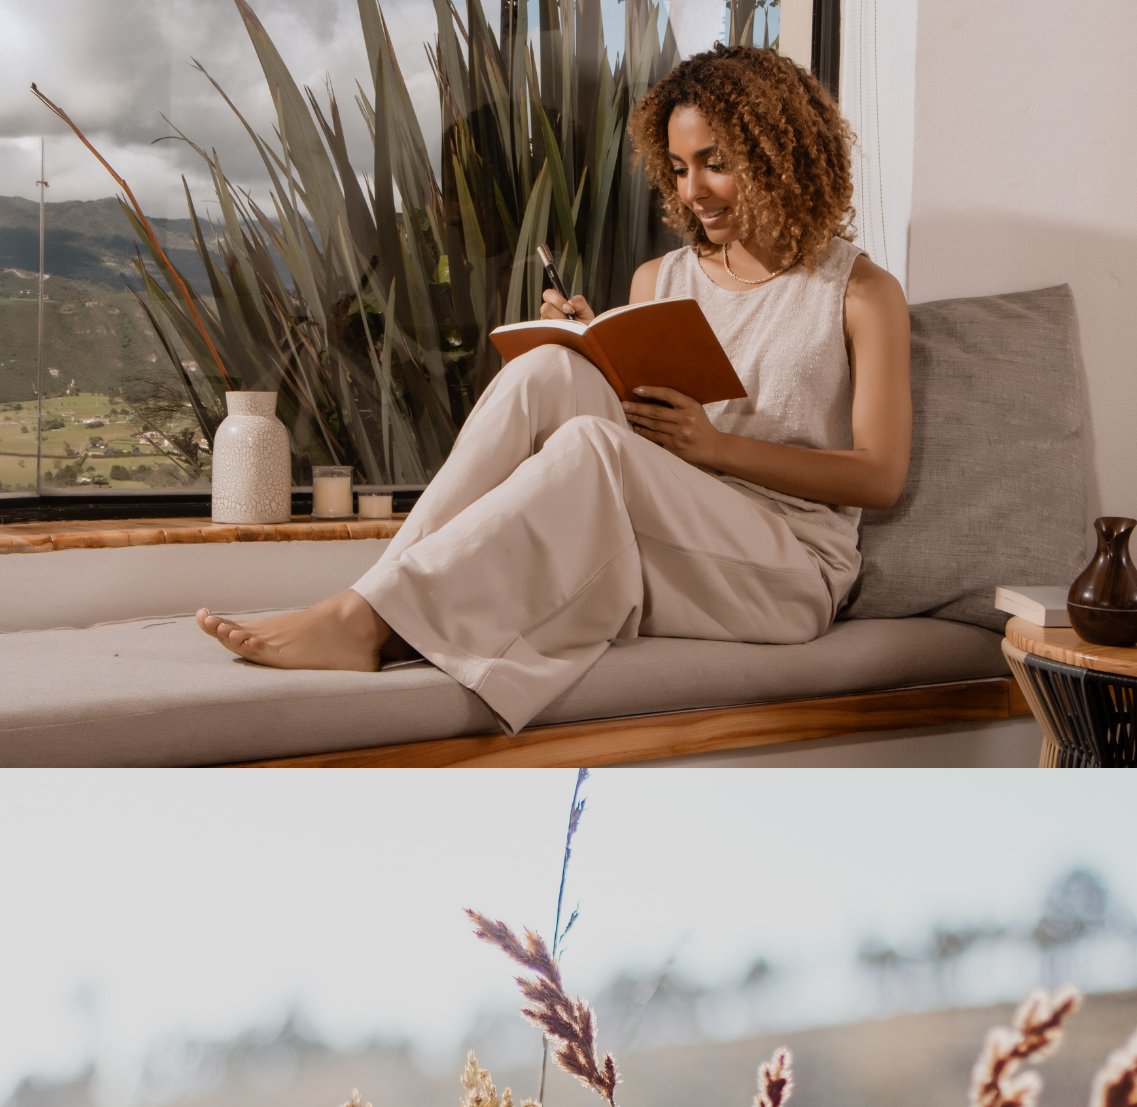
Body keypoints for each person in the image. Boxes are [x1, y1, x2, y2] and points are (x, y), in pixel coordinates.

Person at [195, 48, 911, 731]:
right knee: (547, 371)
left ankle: (371, 619)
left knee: (593, 443)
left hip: (785, 569)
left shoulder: (860, 291)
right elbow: (646, 434)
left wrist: (716, 447)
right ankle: (370, 601)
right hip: (668, 525)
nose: (694, 192)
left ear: (779, 153)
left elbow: (878, 476)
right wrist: (594, 350)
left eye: (716, 164)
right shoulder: (661, 280)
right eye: (680, 167)